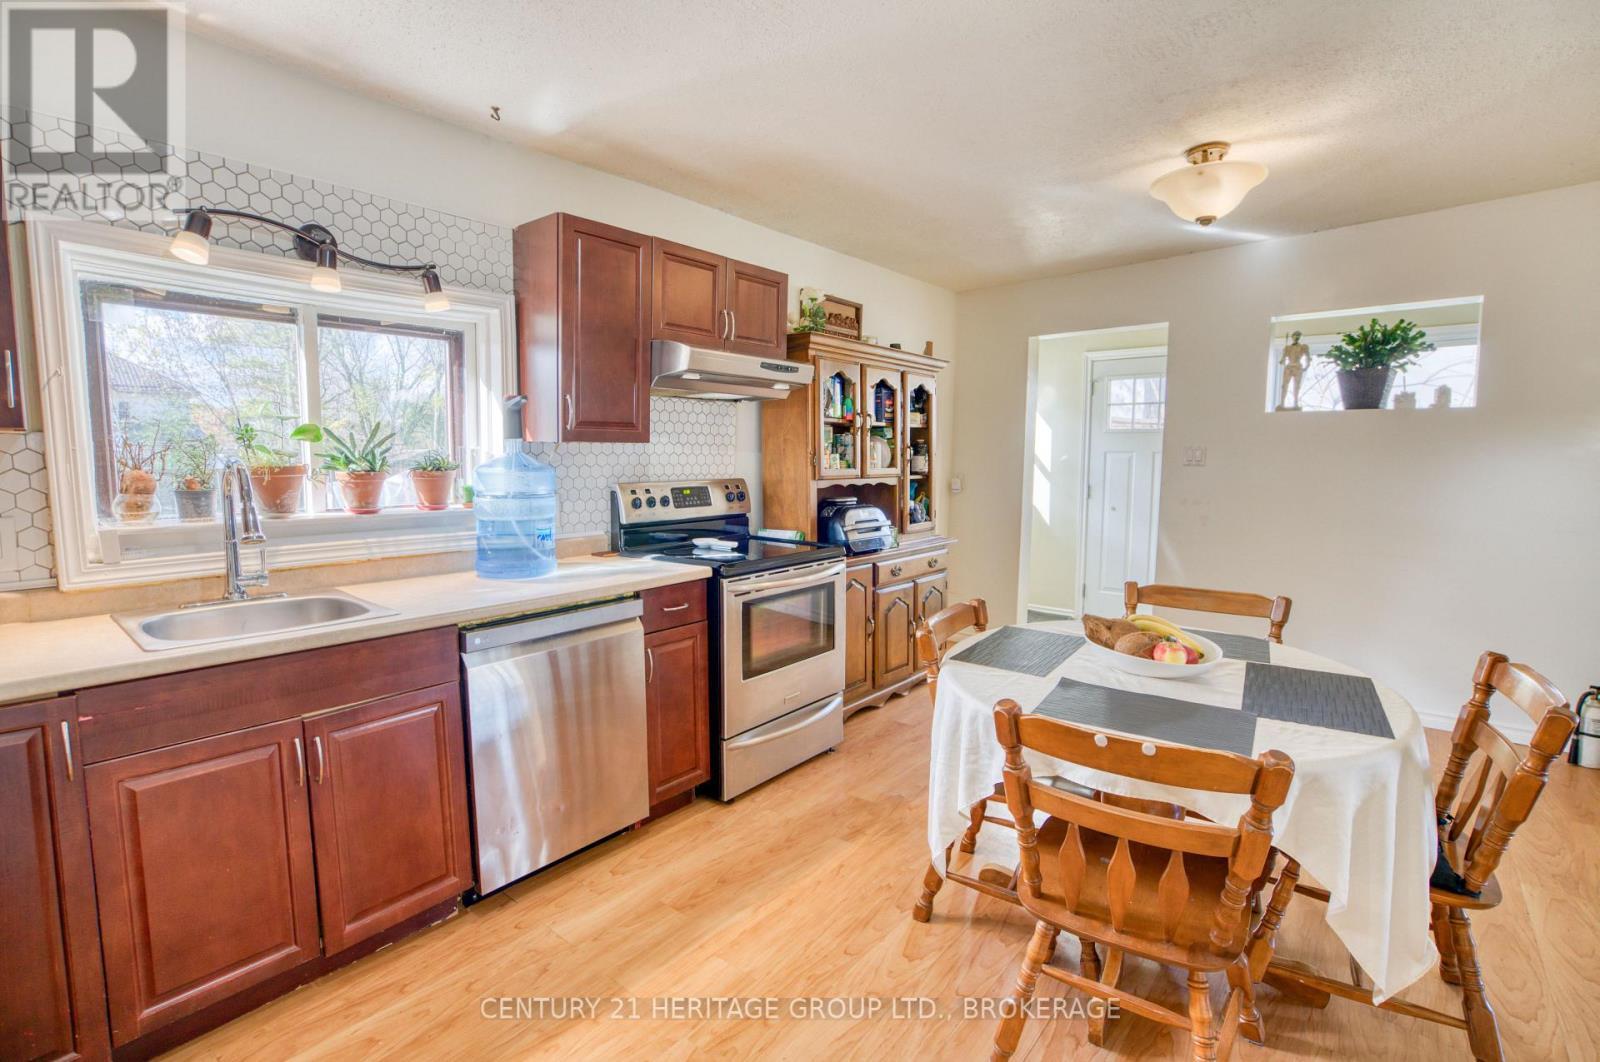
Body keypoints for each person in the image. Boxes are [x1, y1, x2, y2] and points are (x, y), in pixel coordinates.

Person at [1277, 330, 1311, 410]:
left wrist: (1307, 366)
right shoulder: (1287, 348)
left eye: (1298, 335)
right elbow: (1282, 359)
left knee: (1296, 386)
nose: (1296, 337)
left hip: (1298, 367)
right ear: (1292, 337)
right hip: (1289, 367)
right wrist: (1282, 360)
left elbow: (1308, 357)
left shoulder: (1303, 347)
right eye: (1295, 335)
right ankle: (1282, 404)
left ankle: (1295, 404)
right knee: (1284, 385)